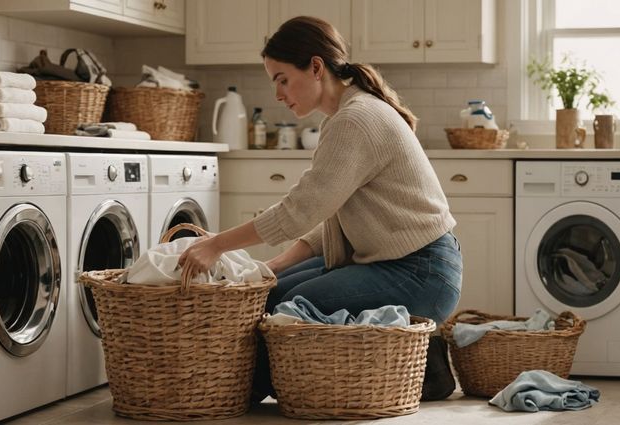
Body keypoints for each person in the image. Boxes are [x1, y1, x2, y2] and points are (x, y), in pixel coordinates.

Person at [178, 16, 462, 401]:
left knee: (284, 306)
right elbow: (328, 220)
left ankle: (228, 395)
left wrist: (217, 245)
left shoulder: (355, 119)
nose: (278, 93)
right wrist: (272, 267)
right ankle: (425, 363)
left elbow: (300, 210)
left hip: (421, 272)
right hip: (398, 263)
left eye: (282, 78)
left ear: (315, 67)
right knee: (270, 290)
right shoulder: (346, 114)